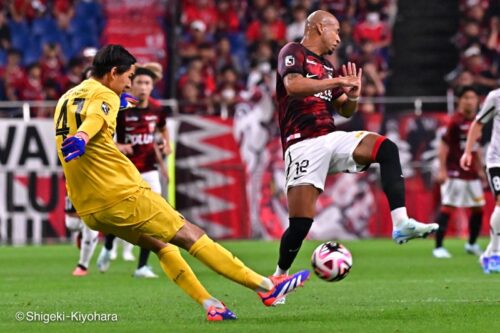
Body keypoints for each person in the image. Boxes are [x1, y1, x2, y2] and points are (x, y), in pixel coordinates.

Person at [54, 44, 309, 321]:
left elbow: (93, 110)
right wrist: (82, 137)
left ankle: (211, 305)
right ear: (112, 72)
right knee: (190, 234)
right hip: (121, 194)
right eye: (127, 77)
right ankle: (266, 287)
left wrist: (109, 111)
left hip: (89, 208)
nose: (129, 84)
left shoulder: (68, 97)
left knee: (161, 245)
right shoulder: (105, 95)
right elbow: (94, 118)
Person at [272, 10, 438, 296]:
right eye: (335, 31)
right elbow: (293, 86)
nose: (339, 38)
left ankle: (401, 223)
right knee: (301, 223)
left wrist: (354, 95)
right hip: (302, 144)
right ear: (319, 28)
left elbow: (344, 110)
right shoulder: (293, 51)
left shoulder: (327, 67)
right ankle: (278, 279)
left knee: (386, 148)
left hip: (331, 137)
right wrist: (337, 83)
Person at [96, 67, 171, 278]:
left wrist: (167, 144)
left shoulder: (157, 110)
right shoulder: (121, 109)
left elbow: (163, 129)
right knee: (118, 215)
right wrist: (117, 144)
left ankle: (142, 266)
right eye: (140, 83)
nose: (144, 87)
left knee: (150, 216)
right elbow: (103, 134)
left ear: (152, 86)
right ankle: (109, 246)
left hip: (149, 170)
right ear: (132, 84)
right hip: (125, 170)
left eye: (148, 84)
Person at [434, 86, 485, 259]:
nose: (469, 101)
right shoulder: (454, 121)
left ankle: (471, 244)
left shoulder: (477, 122)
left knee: (478, 209)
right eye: (466, 97)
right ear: (460, 100)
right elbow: (444, 145)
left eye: (473, 97)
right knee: (448, 207)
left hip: (471, 173)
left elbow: (475, 149)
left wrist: (480, 169)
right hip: (455, 172)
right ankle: (438, 246)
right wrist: (442, 170)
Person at [461, 87, 500, 273]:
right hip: (497, 160)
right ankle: (496, 254)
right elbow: (478, 123)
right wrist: (468, 152)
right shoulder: (496, 96)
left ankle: (489, 252)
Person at [65, 196, 99, 276]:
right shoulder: (74, 187)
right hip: (73, 221)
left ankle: (82, 266)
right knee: (91, 226)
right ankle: (82, 266)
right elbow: (70, 213)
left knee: (91, 230)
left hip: (87, 217)